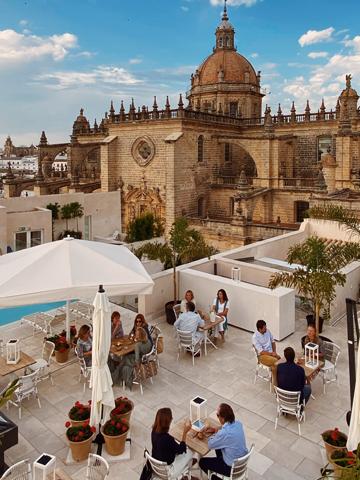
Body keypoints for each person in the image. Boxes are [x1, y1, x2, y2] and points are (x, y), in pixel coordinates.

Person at [199, 403, 247, 479]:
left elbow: (210, 445)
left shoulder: (224, 433)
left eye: (217, 415)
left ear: (223, 418)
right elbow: (226, 428)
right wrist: (215, 430)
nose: (217, 417)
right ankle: (218, 468)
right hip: (242, 463)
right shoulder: (238, 424)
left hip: (231, 468)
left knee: (202, 462)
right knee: (218, 446)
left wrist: (210, 435)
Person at [151, 408, 194, 478]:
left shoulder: (153, 431)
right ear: (168, 422)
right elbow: (181, 450)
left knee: (182, 450)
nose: (172, 419)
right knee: (190, 452)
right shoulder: (167, 439)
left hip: (157, 464)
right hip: (168, 471)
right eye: (171, 418)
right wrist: (185, 432)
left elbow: (170, 447)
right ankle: (187, 474)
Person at [112, 324, 152, 388]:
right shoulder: (148, 341)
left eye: (137, 334)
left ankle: (116, 378)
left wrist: (138, 368)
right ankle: (117, 376)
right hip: (144, 359)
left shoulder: (137, 345)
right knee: (125, 358)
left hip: (138, 360)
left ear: (140, 335)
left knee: (123, 361)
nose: (135, 334)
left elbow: (136, 359)